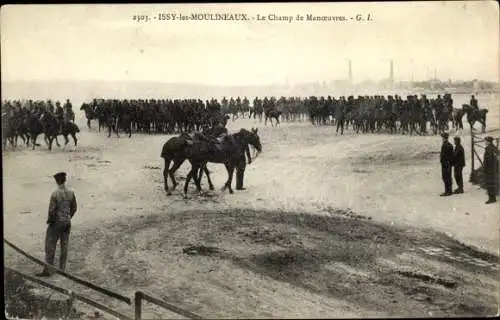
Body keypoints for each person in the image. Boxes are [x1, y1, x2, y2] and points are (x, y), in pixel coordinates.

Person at [37, 172, 77, 277]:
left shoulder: (55, 194)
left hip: (56, 223)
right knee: (64, 245)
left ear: (56, 181)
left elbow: (51, 211)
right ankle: (62, 270)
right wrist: (68, 217)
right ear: (65, 180)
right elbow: (74, 208)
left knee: (50, 245)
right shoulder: (71, 193)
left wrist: (50, 221)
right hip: (67, 222)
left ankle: (48, 270)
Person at [483, 136, 498, 204]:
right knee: (491, 183)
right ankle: (493, 198)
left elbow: (490, 160)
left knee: (490, 184)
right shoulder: (492, 147)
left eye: (485, 141)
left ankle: (491, 198)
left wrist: (486, 169)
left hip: (490, 169)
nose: (485, 142)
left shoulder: (490, 148)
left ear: (488, 141)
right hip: (492, 169)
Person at [440, 132, 454, 196]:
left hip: (445, 163)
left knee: (445, 177)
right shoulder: (449, 144)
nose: (442, 138)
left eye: (442, 137)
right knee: (448, 177)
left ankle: (447, 191)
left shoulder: (445, 145)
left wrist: (443, 161)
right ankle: (449, 190)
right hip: (448, 163)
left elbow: (444, 155)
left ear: (444, 138)